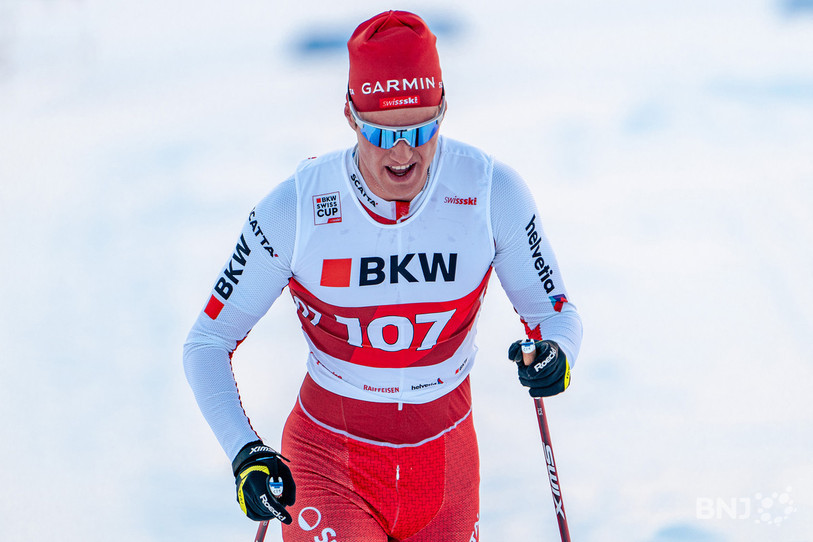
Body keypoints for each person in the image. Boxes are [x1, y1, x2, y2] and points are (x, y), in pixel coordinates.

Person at [183, 10, 582, 542]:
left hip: (444, 466)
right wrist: (245, 454)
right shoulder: (297, 208)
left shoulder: (491, 194)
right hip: (328, 463)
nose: (402, 153)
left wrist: (557, 357)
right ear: (350, 115)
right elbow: (207, 341)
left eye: (422, 129)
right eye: (382, 132)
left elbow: (555, 315)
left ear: (444, 109)